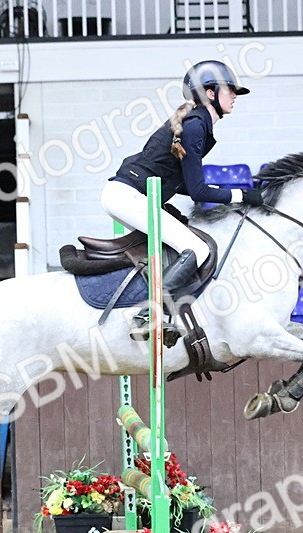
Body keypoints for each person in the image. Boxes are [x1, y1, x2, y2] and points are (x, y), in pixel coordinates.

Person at [103, 60, 265, 341]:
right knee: (197, 248)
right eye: (230, 90)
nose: (235, 96)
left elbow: (191, 186)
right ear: (210, 94)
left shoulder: (196, 125)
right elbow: (200, 192)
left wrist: (233, 194)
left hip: (129, 195)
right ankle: (146, 315)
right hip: (127, 196)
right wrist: (240, 195)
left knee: (182, 242)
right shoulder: (194, 127)